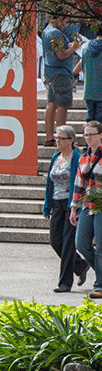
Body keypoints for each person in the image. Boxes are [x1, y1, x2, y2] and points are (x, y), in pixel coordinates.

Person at [43, 125, 89, 292]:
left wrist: (75, 207)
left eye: (61, 138)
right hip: (57, 203)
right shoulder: (55, 157)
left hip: (71, 205)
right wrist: (47, 206)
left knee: (69, 243)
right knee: (55, 241)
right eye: (56, 138)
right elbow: (50, 183)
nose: (57, 141)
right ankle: (81, 265)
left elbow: (79, 183)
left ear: (71, 140)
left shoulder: (77, 157)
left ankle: (65, 283)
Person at [70, 121, 102, 299]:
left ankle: (100, 285)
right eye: (85, 135)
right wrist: (74, 208)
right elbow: (78, 185)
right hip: (87, 206)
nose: (88, 138)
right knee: (81, 244)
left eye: (91, 134)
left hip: (101, 205)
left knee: (101, 248)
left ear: (100, 135)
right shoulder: (83, 157)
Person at [42, 9, 80, 146]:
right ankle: (62, 138)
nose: (65, 24)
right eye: (64, 21)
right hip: (61, 72)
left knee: (51, 103)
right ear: (58, 18)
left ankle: (49, 137)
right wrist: (74, 47)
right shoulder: (56, 33)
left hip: (50, 71)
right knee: (62, 105)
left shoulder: (47, 30)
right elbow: (61, 55)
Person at [73, 27, 102, 123]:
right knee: (99, 120)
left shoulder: (86, 47)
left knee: (90, 118)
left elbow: (80, 64)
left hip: (89, 90)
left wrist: (73, 75)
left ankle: (89, 136)